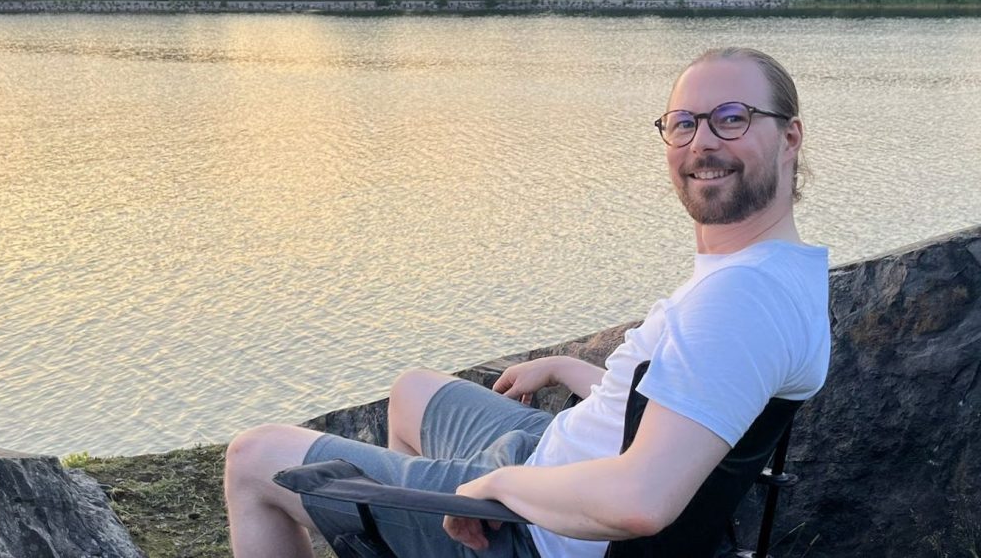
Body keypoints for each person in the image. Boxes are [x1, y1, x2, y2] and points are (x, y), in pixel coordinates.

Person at [223, 47, 830, 558]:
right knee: (411, 393)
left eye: (732, 118)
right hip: (555, 454)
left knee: (254, 460)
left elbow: (641, 502)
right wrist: (570, 369)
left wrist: (504, 487)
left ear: (789, 137)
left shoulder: (744, 299)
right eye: (684, 123)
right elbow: (680, 406)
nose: (703, 142)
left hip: (539, 531)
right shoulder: (770, 274)